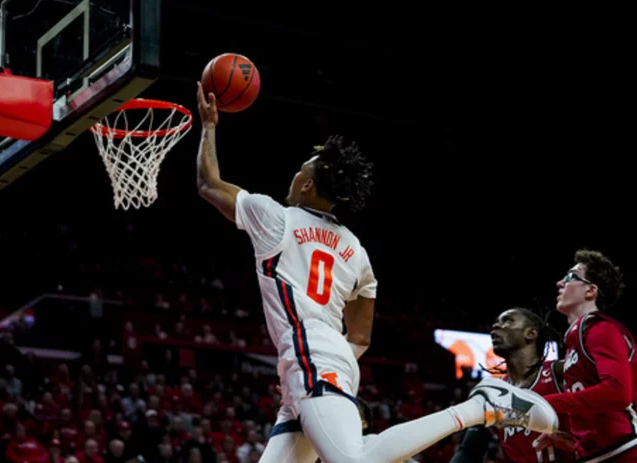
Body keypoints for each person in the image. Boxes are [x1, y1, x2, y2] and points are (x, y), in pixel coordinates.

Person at [195, 82, 559, 463]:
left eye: (298, 171)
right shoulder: (355, 248)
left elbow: (208, 183)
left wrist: (210, 125)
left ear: (306, 184)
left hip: (311, 356)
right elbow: (361, 334)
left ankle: (481, 406)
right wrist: (326, 361)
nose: (293, 176)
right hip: (324, 361)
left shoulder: (275, 220)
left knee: (355, 461)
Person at [532, 249, 637, 462]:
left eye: (570, 277)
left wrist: (550, 402)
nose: (559, 283)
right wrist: (572, 441)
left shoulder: (601, 329)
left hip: (625, 450)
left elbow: (618, 393)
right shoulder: (575, 340)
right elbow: (596, 412)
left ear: (590, 291)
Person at [450, 307, 574, 463]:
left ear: (531, 333)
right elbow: (468, 451)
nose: (495, 326)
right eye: (496, 322)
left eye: (507, 321)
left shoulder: (560, 372)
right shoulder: (493, 395)